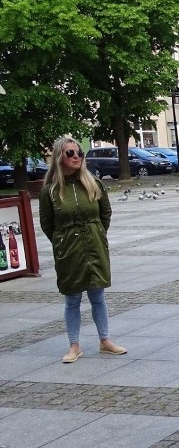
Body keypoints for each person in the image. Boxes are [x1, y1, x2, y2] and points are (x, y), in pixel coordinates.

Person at [39, 137, 126, 364]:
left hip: (94, 246)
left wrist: (97, 235)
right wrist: (62, 242)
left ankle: (105, 340)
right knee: (72, 298)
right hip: (68, 250)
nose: (76, 156)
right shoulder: (50, 191)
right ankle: (74, 345)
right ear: (59, 157)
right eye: (70, 153)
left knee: (98, 296)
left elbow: (104, 214)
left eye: (79, 152)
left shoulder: (93, 183)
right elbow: (47, 225)